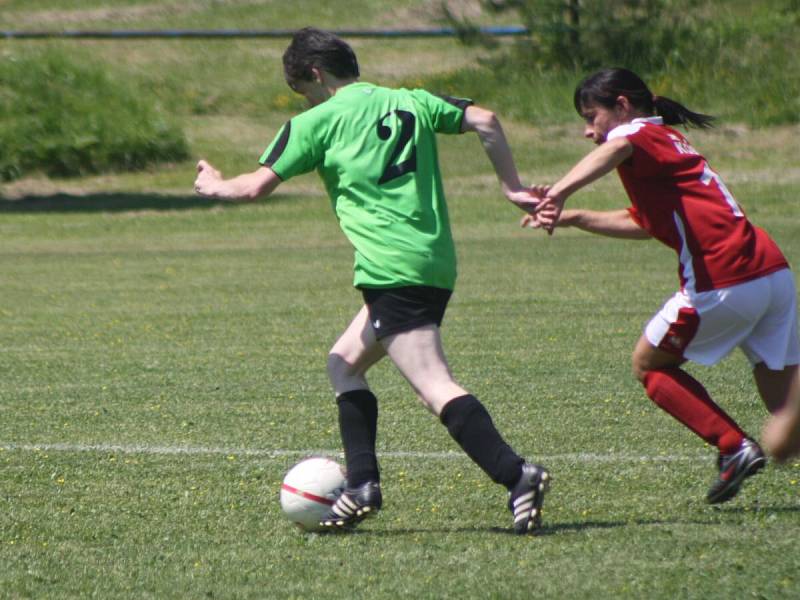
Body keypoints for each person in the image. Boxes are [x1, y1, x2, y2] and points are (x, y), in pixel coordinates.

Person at [193, 27, 549, 533]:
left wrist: (212, 186)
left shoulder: (315, 121)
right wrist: (511, 187)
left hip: (391, 268)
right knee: (343, 364)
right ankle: (362, 486)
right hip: (433, 261)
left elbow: (253, 189)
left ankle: (517, 475)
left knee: (433, 385)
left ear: (314, 75)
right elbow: (486, 120)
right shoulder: (412, 100)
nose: (305, 99)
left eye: (303, 90)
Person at [523, 67, 799, 503]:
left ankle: (734, 448)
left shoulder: (638, 134)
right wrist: (573, 217)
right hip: (771, 272)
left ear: (623, 106)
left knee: (650, 365)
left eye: (591, 116)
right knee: (787, 409)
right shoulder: (665, 144)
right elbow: (644, 223)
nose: (587, 131)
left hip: (723, 276)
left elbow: (616, 147)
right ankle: (745, 446)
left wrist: (558, 192)